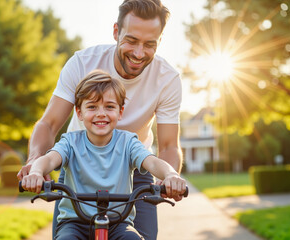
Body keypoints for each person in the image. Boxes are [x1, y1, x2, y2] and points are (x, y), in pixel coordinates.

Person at [17, 0, 183, 239]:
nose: (139, 53)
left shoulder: (167, 79)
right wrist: (35, 163)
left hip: (134, 166)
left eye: (149, 44)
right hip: (78, 164)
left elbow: (168, 146)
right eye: (132, 40)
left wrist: (169, 178)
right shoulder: (82, 63)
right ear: (116, 32)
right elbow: (49, 124)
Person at [21, 70, 186, 240]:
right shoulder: (70, 142)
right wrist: (36, 172)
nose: (101, 113)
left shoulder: (128, 142)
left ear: (120, 112)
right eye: (92, 107)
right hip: (74, 222)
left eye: (109, 106)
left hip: (119, 222)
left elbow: (152, 162)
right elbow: (49, 159)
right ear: (79, 113)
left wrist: (170, 174)